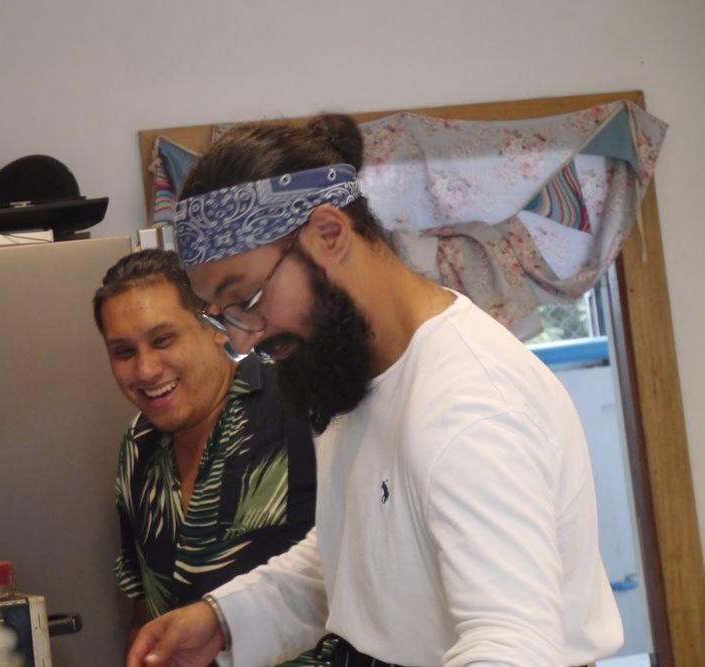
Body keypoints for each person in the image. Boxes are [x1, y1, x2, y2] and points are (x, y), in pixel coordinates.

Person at [126, 116, 623, 667]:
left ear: (329, 234)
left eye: (248, 297)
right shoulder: (356, 369)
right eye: (222, 317)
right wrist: (225, 619)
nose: (245, 337)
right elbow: (362, 554)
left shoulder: (469, 404)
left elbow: (513, 645)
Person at [94, 249, 336, 665]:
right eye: (123, 351)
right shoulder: (139, 445)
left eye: (163, 339)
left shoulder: (300, 407)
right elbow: (145, 612)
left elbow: (364, 569)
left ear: (214, 326)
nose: (146, 369)